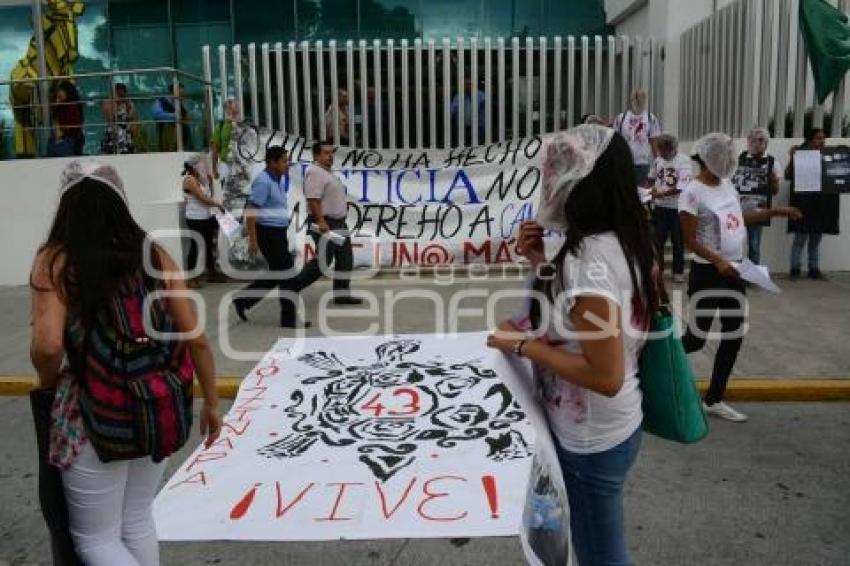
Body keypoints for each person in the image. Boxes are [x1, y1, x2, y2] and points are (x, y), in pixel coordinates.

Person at [29, 159, 221, 565]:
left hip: (93, 413)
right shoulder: (155, 254)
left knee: (96, 539)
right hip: (156, 404)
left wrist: (49, 386)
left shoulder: (56, 260)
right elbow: (196, 338)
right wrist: (212, 403)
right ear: (120, 201)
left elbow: (47, 347)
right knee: (136, 519)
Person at [488, 125, 659, 566]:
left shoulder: (590, 257)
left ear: (583, 182)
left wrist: (523, 344)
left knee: (601, 556)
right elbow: (576, 315)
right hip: (612, 427)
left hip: (592, 438)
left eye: (557, 171)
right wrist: (540, 265)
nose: (548, 182)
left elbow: (604, 375)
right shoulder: (620, 240)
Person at [679, 133, 801, 423]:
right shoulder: (692, 193)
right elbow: (689, 240)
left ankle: (714, 398)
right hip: (708, 273)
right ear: (711, 158)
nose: (731, 162)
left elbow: (739, 218)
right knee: (695, 340)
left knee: (733, 335)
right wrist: (718, 260)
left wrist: (774, 211)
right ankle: (648, 370)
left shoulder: (727, 185)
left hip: (735, 270)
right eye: (726, 157)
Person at [233, 146, 310, 328]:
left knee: (277, 274)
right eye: (283, 160)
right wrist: (253, 240)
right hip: (268, 234)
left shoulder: (276, 179)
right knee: (287, 275)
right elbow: (251, 212)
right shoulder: (264, 181)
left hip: (278, 233)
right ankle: (289, 320)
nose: (287, 164)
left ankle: (243, 300)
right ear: (272, 162)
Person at [292, 140, 362, 305]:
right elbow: (313, 199)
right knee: (323, 261)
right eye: (326, 153)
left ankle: (342, 294)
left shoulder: (328, 172)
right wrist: (321, 221)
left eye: (331, 153)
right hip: (326, 223)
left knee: (345, 259)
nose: (330, 156)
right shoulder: (315, 172)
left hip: (338, 223)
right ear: (317, 155)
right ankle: (292, 287)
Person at [785, 127, 837, 280]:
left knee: (815, 239)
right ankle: (795, 270)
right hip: (803, 204)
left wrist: (843, 155)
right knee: (800, 238)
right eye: (819, 138)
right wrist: (791, 158)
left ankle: (813, 269)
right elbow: (788, 175)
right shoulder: (800, 154)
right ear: (810, 140)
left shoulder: (828, 155)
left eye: (823, 138)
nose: (822, 141)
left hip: (821, 205)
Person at [731, 128, 783, 265]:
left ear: (766, 143)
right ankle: (733, 274)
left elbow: (775, 191)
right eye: (753, 140)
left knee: (754, 244)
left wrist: (772, 179)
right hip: (737, 209)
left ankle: (752, 275)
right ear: (748, 142)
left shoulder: (773, 162)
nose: (756, 143)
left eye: (761, 140)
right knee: (733, 244)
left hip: (758, 210)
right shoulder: (738, 160)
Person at [649, 133, 692, 283]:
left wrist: (663, 194)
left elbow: (683, 186)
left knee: (677, 241)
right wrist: (650, 192)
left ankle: (678, 272)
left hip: (677, 208)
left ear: (672, 148)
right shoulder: (657, 161)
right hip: (660, 208)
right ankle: (658, 271)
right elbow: (651, 179)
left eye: (663, 150)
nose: (661, 153)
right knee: (657, 241)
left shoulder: (684, 161)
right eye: (659, 149)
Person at [182, 153, 226, 288]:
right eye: (202, 164)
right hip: (195, 218)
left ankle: (211, 273)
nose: (205, 166)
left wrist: (209, 180)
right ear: (194, 166)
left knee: (208, 245)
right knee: (195, 247)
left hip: (206, 217)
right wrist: (217, 204)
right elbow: (202, 198)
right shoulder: (189, 180)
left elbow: (209, 194)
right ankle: (190, 278)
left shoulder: (202, 179)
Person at [613, 89, 661, 186]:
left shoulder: (650, 118)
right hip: (624, 162)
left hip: (642, 163)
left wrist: (658, 162)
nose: (638, 101)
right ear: (631, 100)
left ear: (645, 100)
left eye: (640, 98)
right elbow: (615, 141)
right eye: (635, 98)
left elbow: (654, 142)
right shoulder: (621, 118)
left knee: (641, 192)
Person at [48, 80, 85, 157]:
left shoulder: (71, 106)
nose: (58, 93)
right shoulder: (65, 105)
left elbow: (72, 127)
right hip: (68, 138)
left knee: (52, 147)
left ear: (67, 92)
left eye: (60, 91)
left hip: (68, 140)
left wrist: (61, 134)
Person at [152, 82, 191, 152]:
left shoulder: (180, 104)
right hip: (167, 138)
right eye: (180, 94)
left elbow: (186, 118)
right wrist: (174, 116)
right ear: (173, 93)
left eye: (183, 94)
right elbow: (157, 115)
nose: (182, 97)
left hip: (181, 140)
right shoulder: (161, 102)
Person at [100, 83, 136, 154]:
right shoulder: (107, 102)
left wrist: (128, 105)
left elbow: (131, 117)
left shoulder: (127, 102)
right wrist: (116, 102)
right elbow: (110, 118)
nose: (122, 96)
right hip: (114, 131)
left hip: (126, 133)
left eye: (124, 93)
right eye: (120, 94)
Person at [211, 98, 239, 184]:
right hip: (226, 165)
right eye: (229, 107)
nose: (232, 108)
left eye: (234, 105)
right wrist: (214, 168)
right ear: (226, 110)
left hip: (241, 165)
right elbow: (215, 149)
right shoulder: (221, 125)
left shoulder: (243, 124)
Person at [450, 79, 486, 145]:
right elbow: (452, 110)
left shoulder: (482, 95)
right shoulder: (458, 97)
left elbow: (486, 110)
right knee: (462, 146)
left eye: (469, 84)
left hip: (478, 126)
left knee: (478, 146)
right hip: (462, 127)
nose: (467, 86)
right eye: (465, 84)